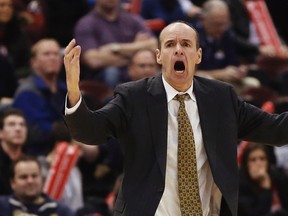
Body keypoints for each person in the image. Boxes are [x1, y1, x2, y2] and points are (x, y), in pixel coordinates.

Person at [63, 21, 288, 215]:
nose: (178, 50)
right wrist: (74, 91)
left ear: (198, 55)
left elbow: (276, 129)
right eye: (170, 45)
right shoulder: (134, 97)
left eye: (186, 44)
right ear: (159, 56)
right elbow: (89, 130)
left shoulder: (221, 98)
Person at [73, 0, 157, 88]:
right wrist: (135, 49)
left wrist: (115, 48)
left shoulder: (133, 20)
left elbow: (154, 46)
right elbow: (93, 60)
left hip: (135, 73)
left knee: (147, 66)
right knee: (111, 72)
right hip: (103, 80)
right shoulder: (86, 24)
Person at [12, 38, 67, 156]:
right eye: (46, 54)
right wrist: (70, 131)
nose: (52, 58)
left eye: (56, 54)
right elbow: (36, 132)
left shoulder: (65, 89)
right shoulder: (27, 92)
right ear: (33, 62)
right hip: (38, 156)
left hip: (66, 150)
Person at [0, 155, 76, 215]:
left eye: (34, 176)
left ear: (42, 179)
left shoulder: (63, 212)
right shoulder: (2, 206)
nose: (30, 181)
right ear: (12, 183)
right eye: (23, 177)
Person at [238, 143, 288, 216]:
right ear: (246, 164)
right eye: (253, 160)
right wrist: (265, 188)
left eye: (262, 158)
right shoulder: (240, 185)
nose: (258, 163)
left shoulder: (278, 177)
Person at [0, 108, 27, 195]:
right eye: (12, 124)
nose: (18, 129)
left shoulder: (31, 160)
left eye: (22, 125)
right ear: (1, 133)